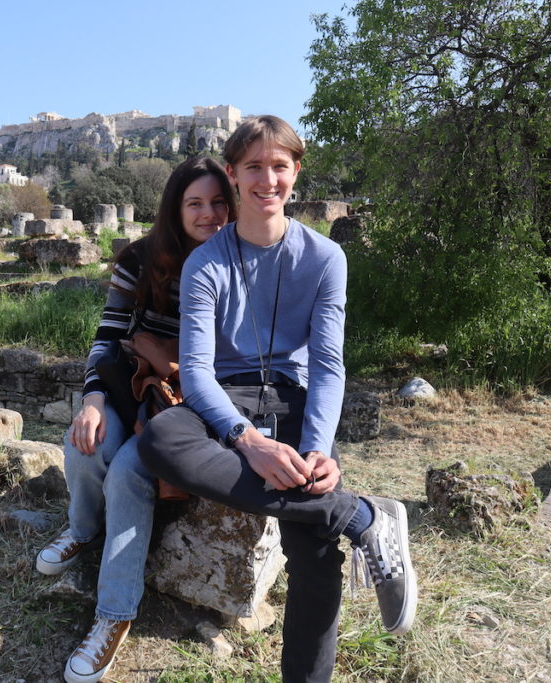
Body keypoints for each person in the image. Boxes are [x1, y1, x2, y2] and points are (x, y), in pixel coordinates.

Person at [138, 115, 417, 682]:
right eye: (253, 167)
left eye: (279, 166)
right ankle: (360, 515)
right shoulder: (206, 262)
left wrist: (316, 447)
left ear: (296, 172)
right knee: (162, 437)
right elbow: (196, 373)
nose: (267, 180)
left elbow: (328, 364)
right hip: (226, 399)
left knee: (315, 553)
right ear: (234, 175)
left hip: (293, 398)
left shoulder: (325, 258)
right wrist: (249, 442)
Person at [35, 157, 237, 683]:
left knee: (129, 470)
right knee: (86, 443)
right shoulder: (141, 260)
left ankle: (114, 615)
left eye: (218, 202)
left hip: (195, 401)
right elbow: (108, 337)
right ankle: (83, 530)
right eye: (195, 202)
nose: (209, 213)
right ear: (175, 207)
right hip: (135, 385)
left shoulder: (238, 261)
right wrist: (93, 399)